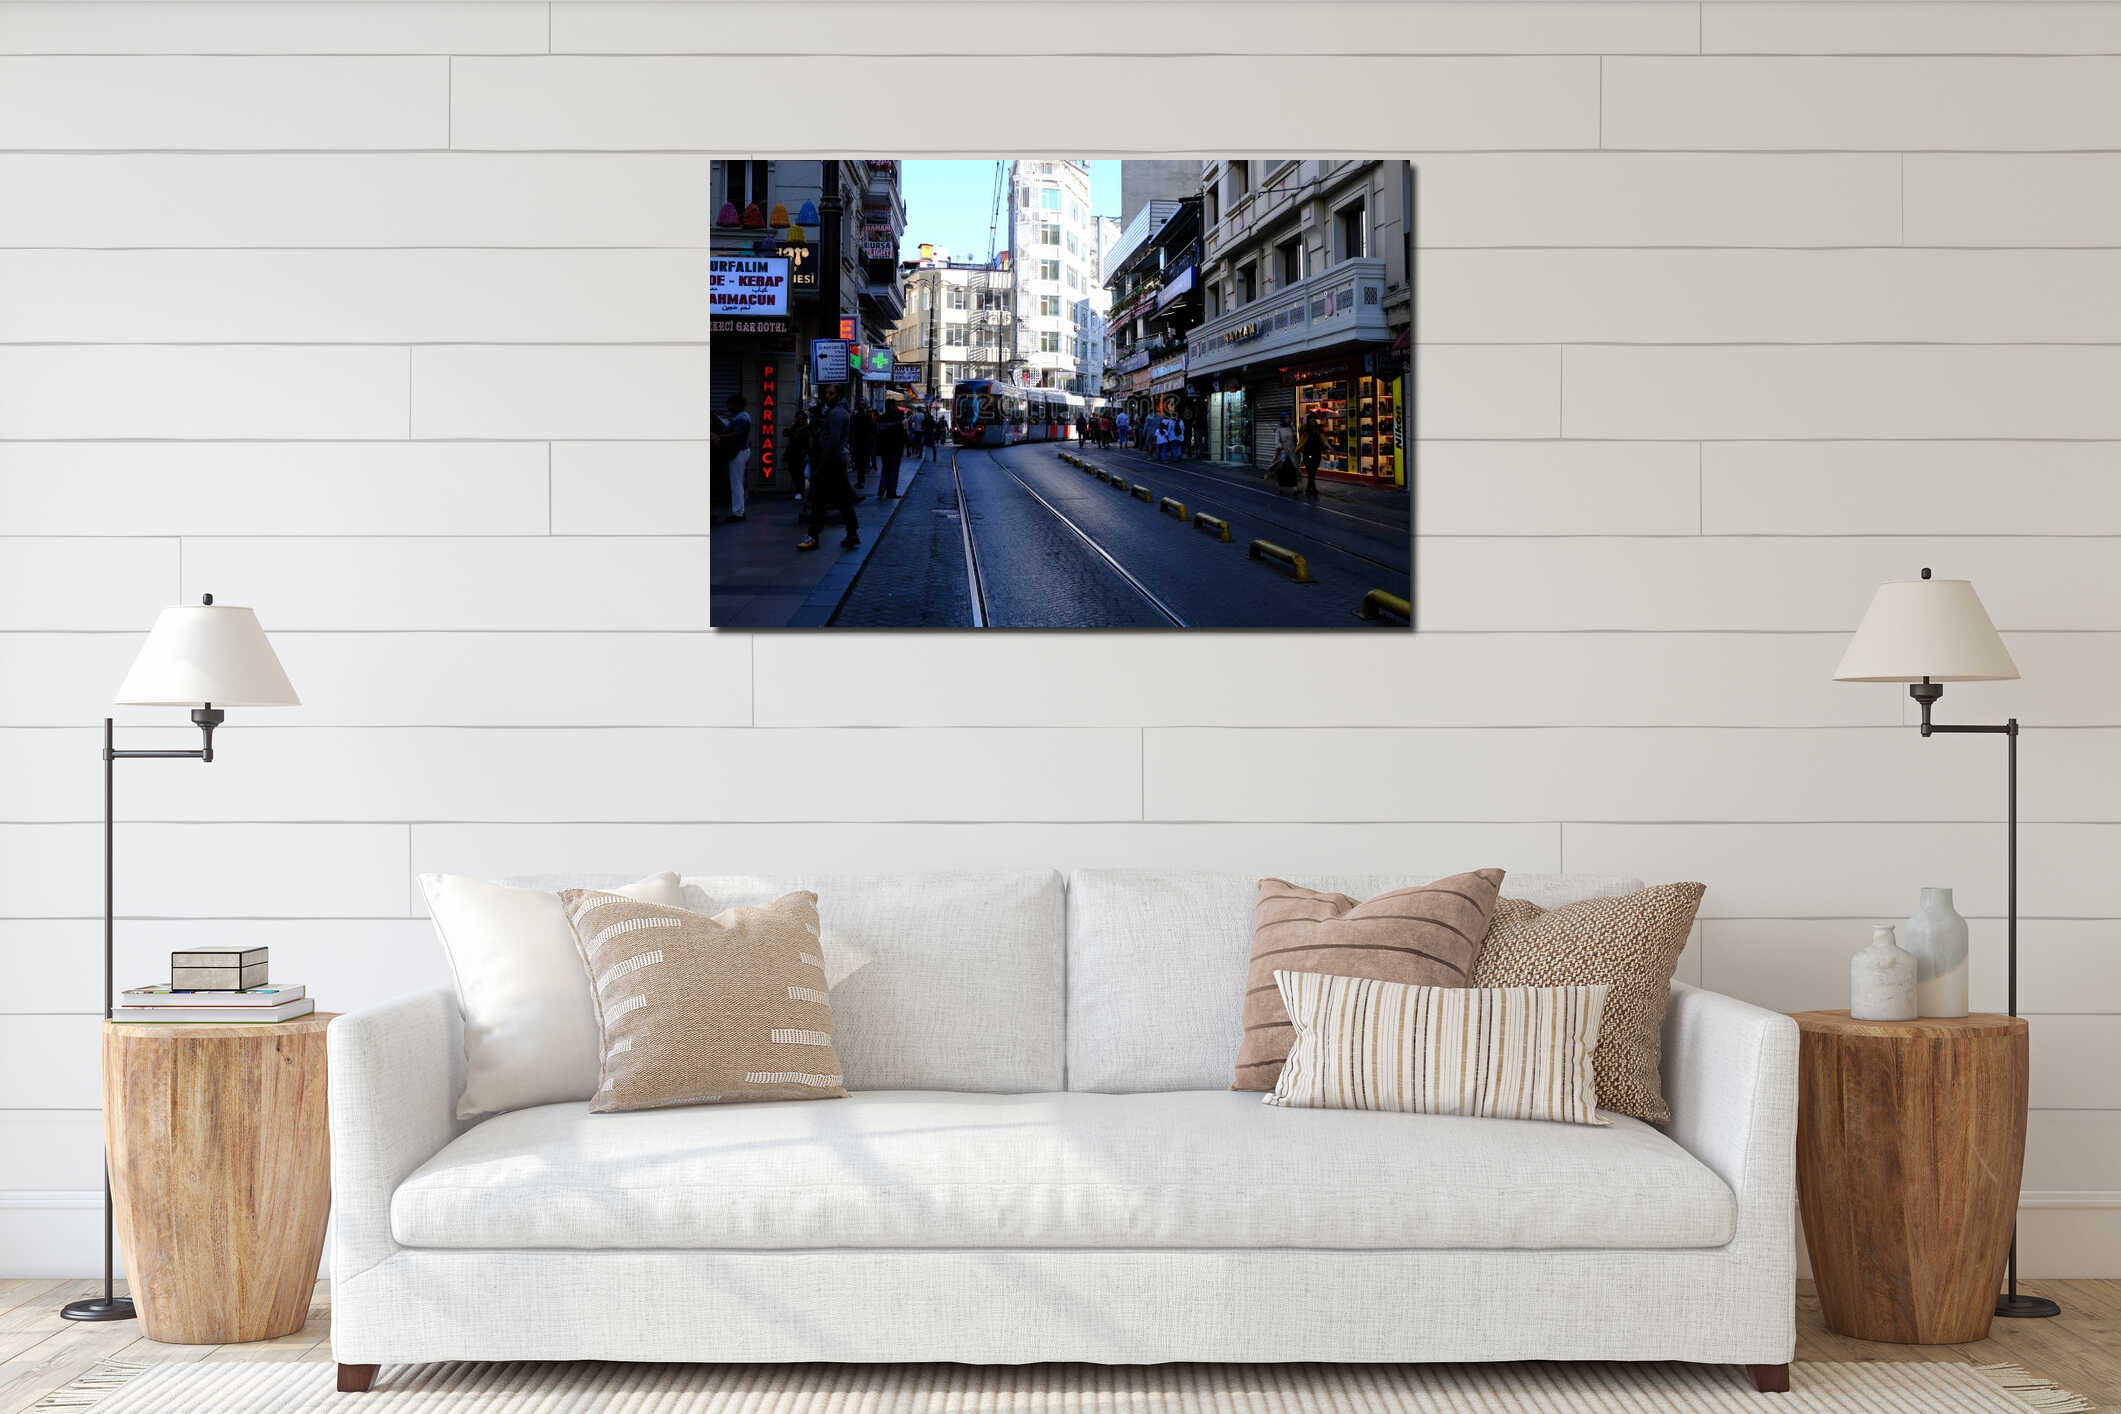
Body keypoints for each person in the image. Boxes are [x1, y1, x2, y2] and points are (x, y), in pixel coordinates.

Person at [798, 384, 859, 551]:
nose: (827, 396)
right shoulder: (835, 412)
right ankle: (852, 533)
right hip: (834, 462)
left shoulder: (837, 413)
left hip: (830, 462)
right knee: (843, 500)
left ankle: (813, 536)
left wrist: (823, 464)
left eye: (831, 393)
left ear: (839, 395)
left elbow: (833, 441)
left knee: (819, 500)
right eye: (826, 392)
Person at [711, 393, 751, 522]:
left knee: (736, 484)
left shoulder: (742, 418)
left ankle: (738, 513)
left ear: (737, 405)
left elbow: (737, 433)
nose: (728, 407)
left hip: (738, 452)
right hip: (740, 451)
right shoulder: (741, 416)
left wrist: (719, 437)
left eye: (730, 404)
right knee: (737, 483)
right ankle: (739, 511)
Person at [876, 399, 908, 500]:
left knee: (885, 468)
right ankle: (891, 492)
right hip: (896, 448)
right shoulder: (899, 418)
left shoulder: (881, 418)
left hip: (884, 448)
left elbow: (878, 434)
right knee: (894, 470)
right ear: (894, 406)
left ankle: (881, 489)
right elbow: (903, 433)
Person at [1268, 412, 1299, 494]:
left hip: (1292, 451)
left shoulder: (1291, 428)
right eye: (1286, 418)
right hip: (1283, 452)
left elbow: (1295, 439)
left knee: (1294, 469)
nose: (1288, 419)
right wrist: (1280, 447)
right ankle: (1280, 487)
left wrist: (1293, 429)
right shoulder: (1279, 429)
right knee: (1280, 469)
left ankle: (1295, 488)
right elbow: (1277, 440)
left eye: (1289, 418)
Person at [1298, 411, 1326, 499]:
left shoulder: (1317, 431)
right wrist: (1305, 419)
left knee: (1312, 472)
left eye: (1314, 420)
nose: (1313, 422)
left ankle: (1308, 488)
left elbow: (1323, 439)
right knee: (1311, 472)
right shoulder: (1304, 430)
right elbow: (1301, 428)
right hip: (1308, 454)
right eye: (1310, 420)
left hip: (1317, 454)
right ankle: (1313, 489)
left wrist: (1329, 448)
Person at [849, 398, 876, 492]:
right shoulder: (862, 417)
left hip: (861, 442)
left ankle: (860, 480)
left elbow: (871, 429)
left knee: (860, 462)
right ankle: (861, 479)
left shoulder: (857, 417)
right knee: (861, 462)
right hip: (861, 442)